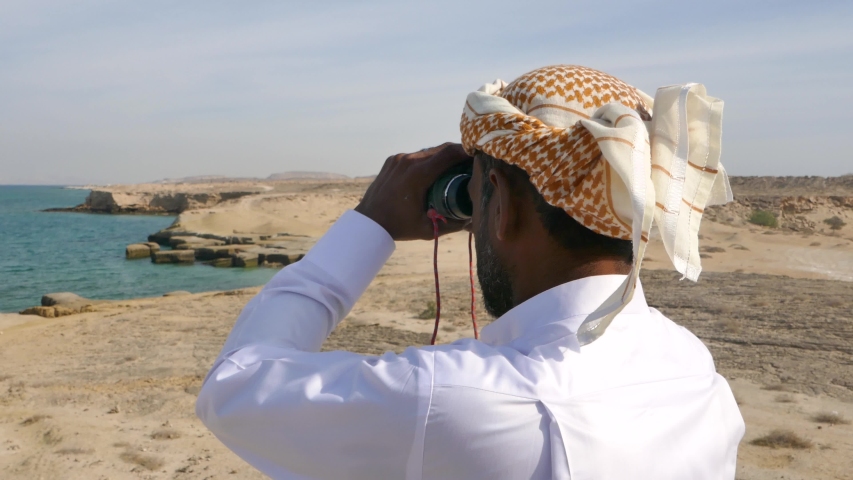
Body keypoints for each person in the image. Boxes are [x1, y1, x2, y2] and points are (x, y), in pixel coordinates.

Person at [196, 65, 745, 479]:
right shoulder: (695, 372)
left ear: (500, 203)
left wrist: (372, 224)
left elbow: (235, 386)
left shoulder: (455, 401)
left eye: (476, 194)